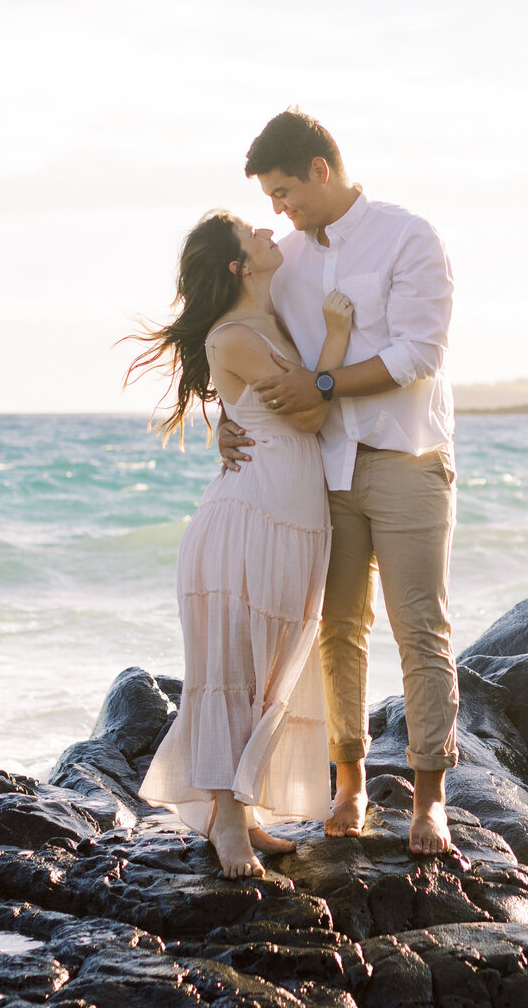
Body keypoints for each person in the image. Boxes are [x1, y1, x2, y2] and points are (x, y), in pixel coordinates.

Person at [218, 109, 459, 856]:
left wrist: (323, 383)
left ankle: (430, 800)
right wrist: (221, 418)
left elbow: (420, 353)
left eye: (285, 190)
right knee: (337, 631)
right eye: (270, 197)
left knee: (421, 628)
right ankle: (349, 786)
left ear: (323, 170)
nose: (278, 210)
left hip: (405, 457)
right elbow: (242, 342)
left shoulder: (408, 237)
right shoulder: (282, 260)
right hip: (323, 468)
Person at [124, 209, 355, 879]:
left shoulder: (273, 315)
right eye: (253, 235)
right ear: (237, 265)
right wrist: (337, 339)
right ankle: (226, 821)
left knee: (271, 667)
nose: (266, 233)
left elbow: (281, 403)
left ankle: (248, 813)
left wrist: (226, 416)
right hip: (248, 520)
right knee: (230, 670)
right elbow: (312, 410)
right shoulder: (234, 336)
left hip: (294, 517)